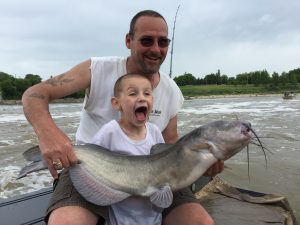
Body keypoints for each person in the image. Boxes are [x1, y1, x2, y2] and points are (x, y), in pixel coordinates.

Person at [22, 9, 223, 225]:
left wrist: (201, 162)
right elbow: (34, 94)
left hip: (158, 178)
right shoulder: (97, 69)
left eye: (163, 42)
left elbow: (171, 142)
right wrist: (48, 134)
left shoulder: (172, 90)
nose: (156, 49)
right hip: (89, 170)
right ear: (129, 40)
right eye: (147, 40)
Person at [91, 73, 165, 225]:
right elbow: (92, 159)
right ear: (116, 103)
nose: (142, 98)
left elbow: (164, 166)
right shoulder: (110, 131)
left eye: (147, 93)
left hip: (154, 217)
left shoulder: (155, 132)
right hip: (120, 218)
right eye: (133, 93)